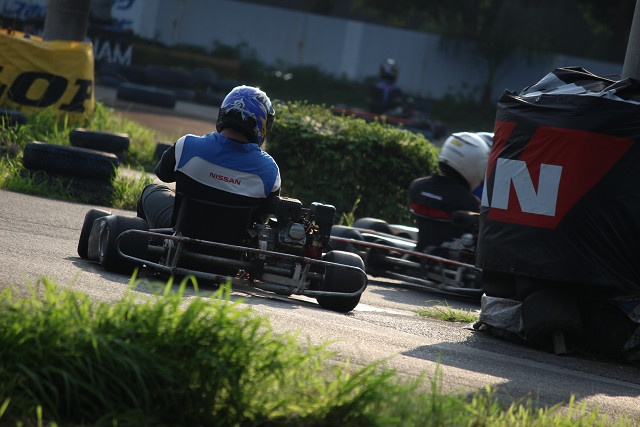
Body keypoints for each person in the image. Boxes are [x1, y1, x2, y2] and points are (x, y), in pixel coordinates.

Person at [136, 85, 281, 230]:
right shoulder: (270, 170)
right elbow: (263, 217)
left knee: (151, 191)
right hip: (235, 242)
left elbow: (163, 174)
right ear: (260, 124)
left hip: (181, 234)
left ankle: (150, 243)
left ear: (224, 111)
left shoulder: (187, 146)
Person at [408, 132, 491, 253]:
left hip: (418, 254)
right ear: (474, 163)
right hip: (447, 261)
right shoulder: (467, 201)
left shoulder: (417, 187)